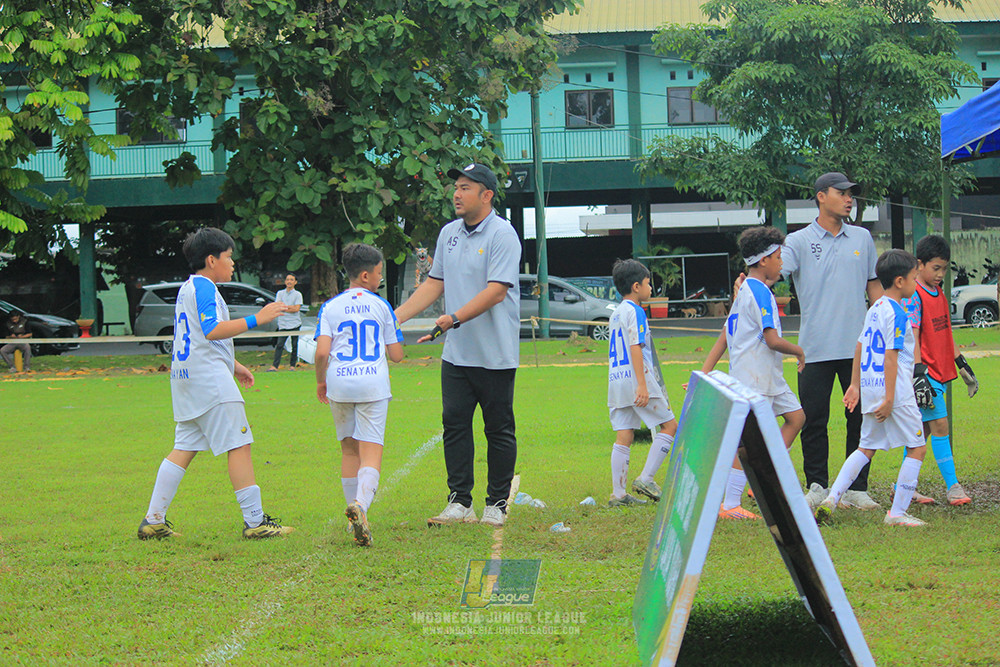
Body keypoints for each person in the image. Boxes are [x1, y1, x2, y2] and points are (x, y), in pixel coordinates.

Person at [137, 227, 294, 540]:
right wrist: (258, 319)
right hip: (208, 382)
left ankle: (153, 520)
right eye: (228, 257)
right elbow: (211, 330)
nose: (232, 263)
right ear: (211, 260)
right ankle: (255, 522)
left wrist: (234, 366)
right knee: (239, 444)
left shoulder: (188, 288)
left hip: (186, 378)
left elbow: (196, 337)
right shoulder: (205, 288)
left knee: (184, 446)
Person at [394, 162, 521, 528]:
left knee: (498, 429)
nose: (457, 193)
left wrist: (454, 318)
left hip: (495, 354)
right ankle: (459, 502)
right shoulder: (449, 233)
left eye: (466, 187)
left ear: (487, 195)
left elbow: (496, 292)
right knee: (454, 425)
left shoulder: (502, 234)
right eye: (456, 187)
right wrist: (395, 317)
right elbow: (434, 284)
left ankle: (496, 503)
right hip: (457, 355)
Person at [782, 172, 883, 511]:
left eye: (852, 194)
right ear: (821, 196)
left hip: (857, 348)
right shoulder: (797, 241)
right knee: (813, 419)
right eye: (843, 193)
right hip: (814, 348)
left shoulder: (863, 238)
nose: (850, 198)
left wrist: (886, 320)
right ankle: (816, 485)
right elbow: (770, 274)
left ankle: (857, 489)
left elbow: (873, 287)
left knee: (862, 419)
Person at [815, 249, 927, 527]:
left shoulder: (875, 308)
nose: (917, 282)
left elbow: (860, 346)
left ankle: (832, 499)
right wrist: (890, 398)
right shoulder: (899, 314)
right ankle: (897, 513)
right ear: (900, 281)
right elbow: (891, 357)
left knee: (865, 448)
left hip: (871, 388)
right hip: (895, 392)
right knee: (917, 447)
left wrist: (855, 385)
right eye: (915, 277)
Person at [701, 226, 806, 519]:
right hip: (756, 378)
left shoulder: (745, 288)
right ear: (763, 261)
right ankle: (731, 503)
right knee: (746, 441)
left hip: (767, 376)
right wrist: (799, 351)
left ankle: (761, 478)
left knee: (797, 418)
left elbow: (725, 334)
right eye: (778, 256)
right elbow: (772, 340)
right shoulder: (758, 292)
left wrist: (705, 371)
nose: (781, 261)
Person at [314, 243, 404, 547]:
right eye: (379, 273)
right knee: (371, 450)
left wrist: (320, 382)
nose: (380, 279)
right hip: (372, 385)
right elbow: (397, 355)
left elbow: (322, 352)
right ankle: (361, 508)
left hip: (339, 383)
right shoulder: (381, 306)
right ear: (365, 275)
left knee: (349, 450)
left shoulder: (331, 307)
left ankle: (353, 511)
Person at [900, 235, 977, 506]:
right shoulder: (914, 297)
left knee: (920, 432)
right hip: (927, 374)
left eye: (944, 268)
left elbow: (946, 334)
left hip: (941, 373)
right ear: (919, 264)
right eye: (936, 268)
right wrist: (919, 375)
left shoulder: (940, 293)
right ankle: (953, 487)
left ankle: (904, 487)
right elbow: (914, 337)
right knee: (941, 425)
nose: (940, 274)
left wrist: (962, 364)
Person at [605, 259, 678, 507]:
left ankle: (618, 494)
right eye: (648, 284)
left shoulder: (615, 313)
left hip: (617, 380)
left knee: (624, 434)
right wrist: (642, 385)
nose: (650, 289)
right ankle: (646, 478)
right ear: (636, 286)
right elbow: (636, 346)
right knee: (670, 426)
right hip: (638, 378)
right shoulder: (635, 311)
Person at [268, 273, 303, 371]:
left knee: (294, 345)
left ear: (295, 282)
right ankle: (275, 366)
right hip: (283, 323)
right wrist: (289, 307)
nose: (289, 282)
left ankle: (292, 366)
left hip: (295, 323)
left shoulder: (298, 294)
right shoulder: (280, 293)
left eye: (291, 280)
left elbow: (296, 309)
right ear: (285, 282)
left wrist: (285, 307)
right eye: (287, 279)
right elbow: (278, 306)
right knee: (279, 345)